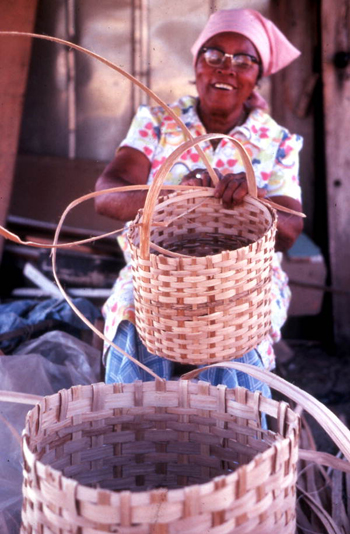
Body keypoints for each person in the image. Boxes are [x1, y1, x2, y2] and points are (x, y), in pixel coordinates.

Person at [95, 8, 303, 396]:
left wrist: (253, 200)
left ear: (258, 75)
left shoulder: (277, 141)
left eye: (244, 60)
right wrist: (173, 195)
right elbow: (107, 194)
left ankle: (230, 441)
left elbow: (290, 229)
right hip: (156, 276)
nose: (226, 68)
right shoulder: (158, 120)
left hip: (246, 283)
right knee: (133, 324)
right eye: (214, 55)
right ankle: (134, 432)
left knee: (233, 336)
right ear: (196, 65)